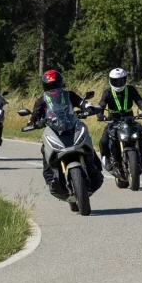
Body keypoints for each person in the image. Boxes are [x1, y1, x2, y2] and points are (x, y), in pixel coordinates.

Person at [29, 70, 105, 198]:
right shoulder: (41, 100)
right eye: (50, 86)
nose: (53, 88)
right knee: (45, 150)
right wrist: (32, 122)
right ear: (45, 86)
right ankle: (51, 179)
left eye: (55, 85)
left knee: (88, 143)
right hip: (53, 129)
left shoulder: (69, 95)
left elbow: (81, 102)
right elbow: (35, 115)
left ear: (60, 83)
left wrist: (89, 106)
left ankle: (95, 169)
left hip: (72, 124)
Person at [96, 68, 142, 172]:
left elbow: (139, 100)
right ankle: (106, 159)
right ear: (110, 80)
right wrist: (100, 115)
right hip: (113, 121)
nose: (118, 83)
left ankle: (139, 155)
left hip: (130, 120)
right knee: (104, 141)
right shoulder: (107, 92)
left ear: (125, 80)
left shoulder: (131, 89)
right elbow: (102, 104)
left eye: (120, 81)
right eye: (115, 81)